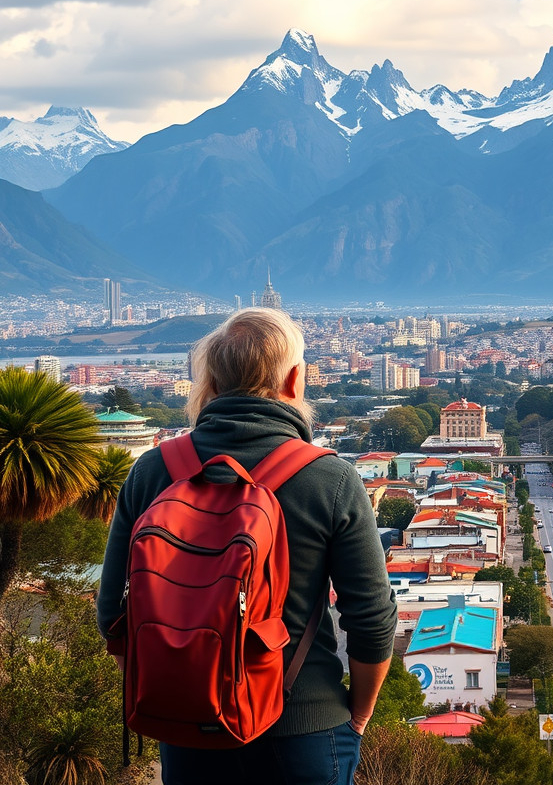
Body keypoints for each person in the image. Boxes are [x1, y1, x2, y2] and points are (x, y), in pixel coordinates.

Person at [97, 308, 398, 785]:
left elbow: (113, 612)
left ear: (209, 382)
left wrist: (179, 687)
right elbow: (372, 619)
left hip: (189, 730)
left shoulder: (152, 472)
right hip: (304, 730)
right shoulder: (329, 479)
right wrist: (357, 717)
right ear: (295, 380)